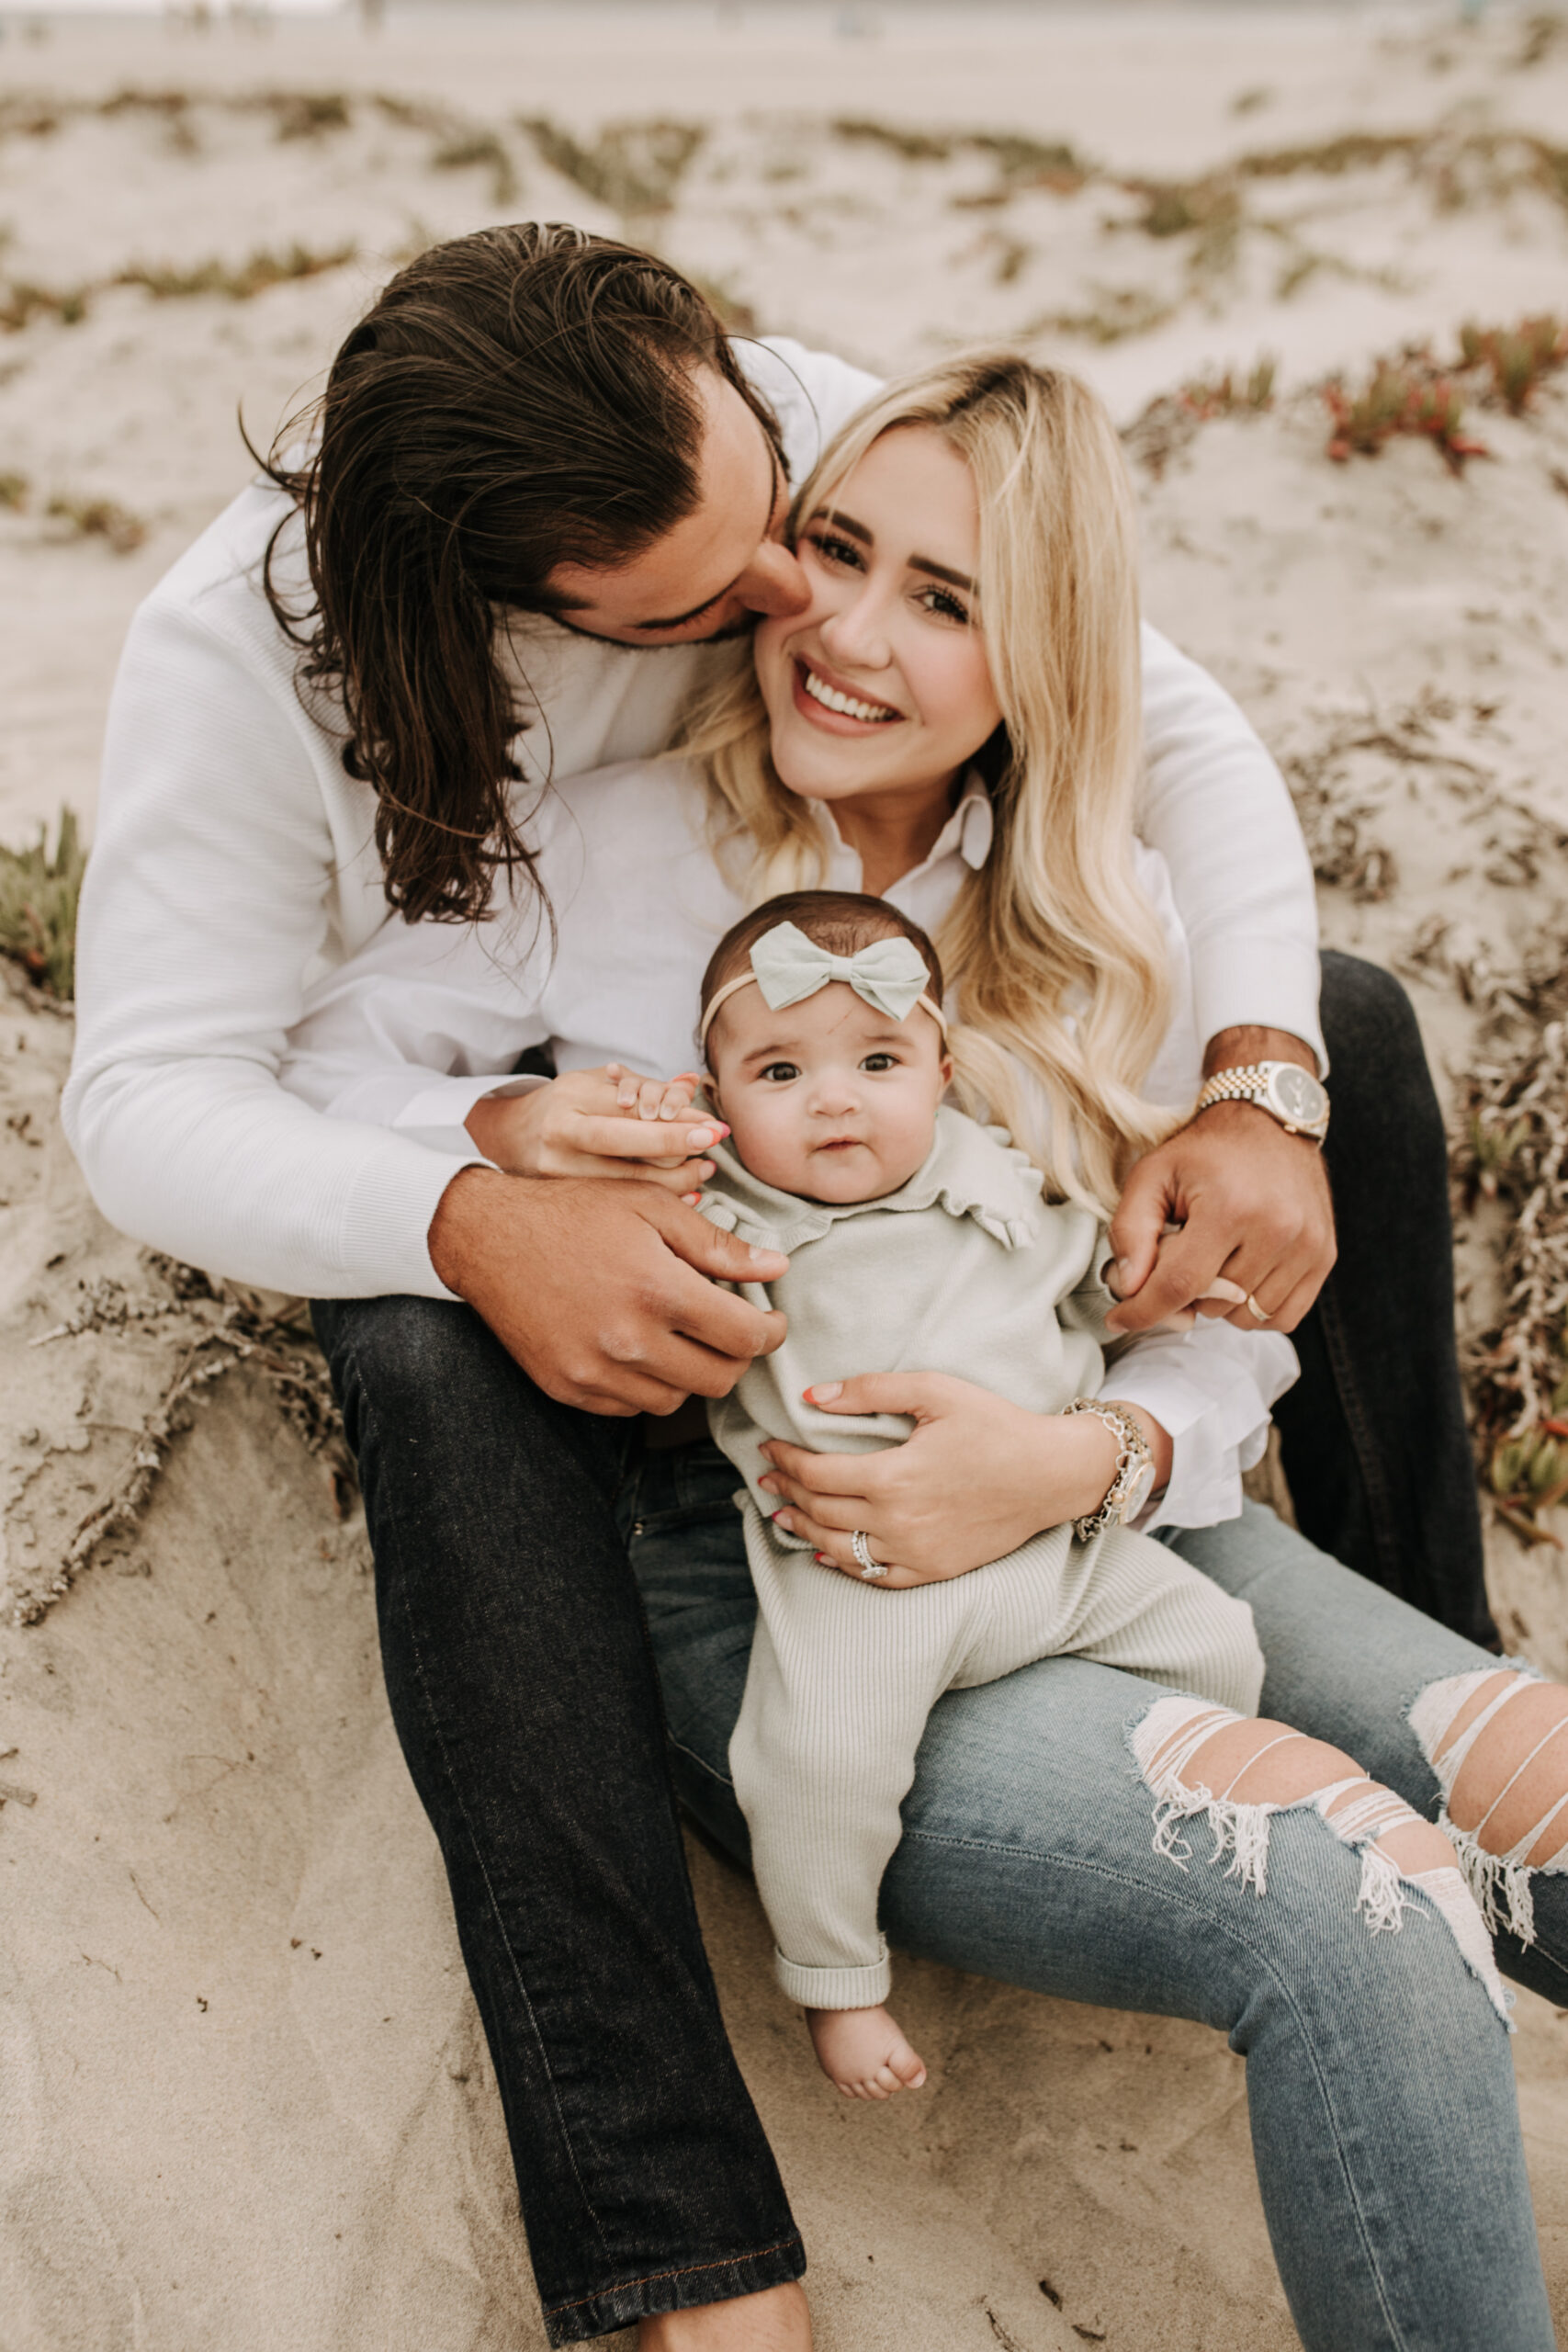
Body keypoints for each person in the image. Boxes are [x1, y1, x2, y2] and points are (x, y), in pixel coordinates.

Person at [58, 225, 1491, 2346]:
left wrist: (1245, 1107)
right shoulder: (289, 699)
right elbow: (176, 1088)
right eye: (736, 586)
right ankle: (676, 2241)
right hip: (730, 1491)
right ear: (537, 609)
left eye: (809, 527)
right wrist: (476, 1179)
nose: (795, 603)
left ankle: (1431, 1667)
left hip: (1074, 1484)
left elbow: (1146, 712)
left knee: (1344, 1033)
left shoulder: (806, 454)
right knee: (420, 1340)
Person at [693, 892, 1269, 2101]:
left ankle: (1134, 1811)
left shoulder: (996, 1179)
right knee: (816, 1764)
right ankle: (835, 1980)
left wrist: (1154, 1288)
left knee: (1216, 1640)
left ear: (943, 1072)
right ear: (716, 1094)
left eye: (879, 1061)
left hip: (1051, 1544)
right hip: (863, 1573)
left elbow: (1091, 1284)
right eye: (781, 1069)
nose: (835, 1098)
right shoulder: (724, 1222)